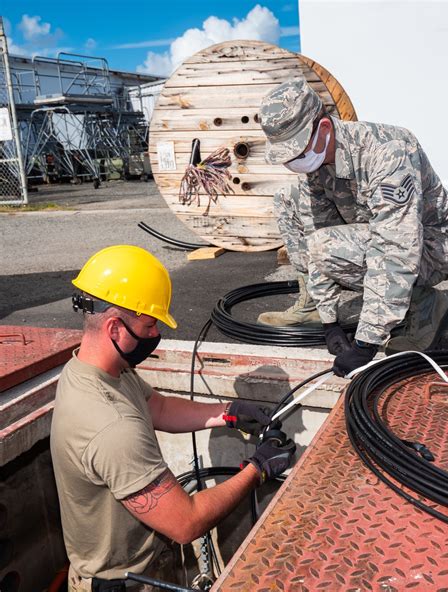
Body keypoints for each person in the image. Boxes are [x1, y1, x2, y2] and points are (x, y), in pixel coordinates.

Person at [50, 245, 295, 591]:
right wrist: (258, 469)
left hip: (146, 565)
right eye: (150, 324)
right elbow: (186, 522)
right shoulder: (111, 426)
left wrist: (227, 414)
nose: (155, 335)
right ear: (115, 328)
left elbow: (158, 408)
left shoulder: (94, 370)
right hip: (124, 583)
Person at [258, 77, 448, 377]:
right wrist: (330, 322)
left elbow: (395, 247)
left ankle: (425, 305)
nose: (294, 163)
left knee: (327, 246)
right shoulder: (316, 162)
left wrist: (366, 342)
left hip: (430, 247)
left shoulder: (388, 152)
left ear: (324, 128)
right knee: (287, 200)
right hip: (375, 234)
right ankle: (313, 303)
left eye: (297, 152)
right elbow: (318, 233)